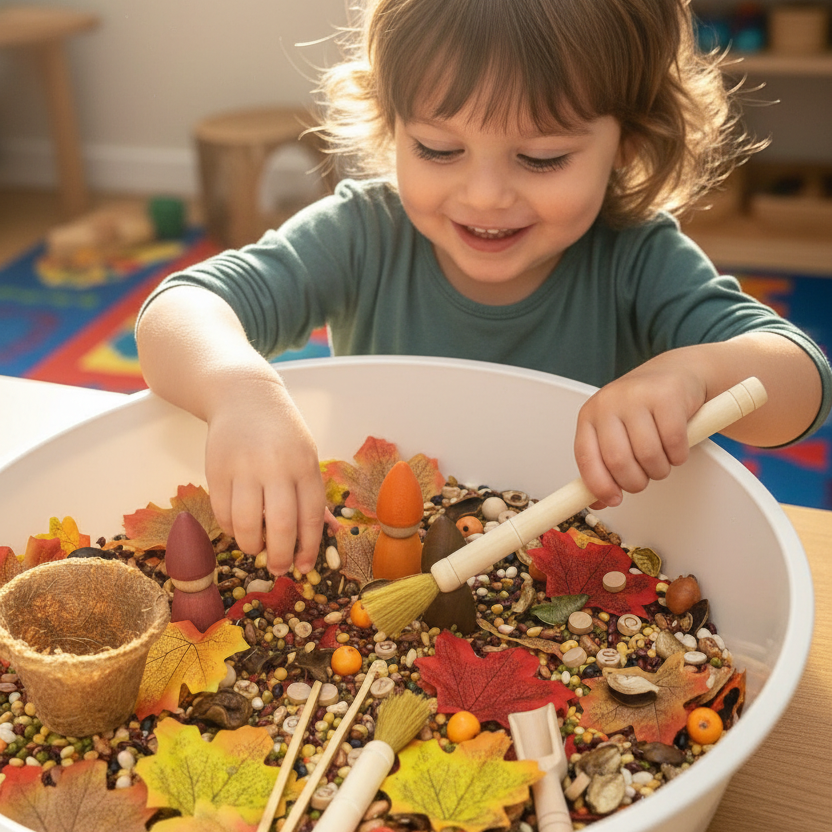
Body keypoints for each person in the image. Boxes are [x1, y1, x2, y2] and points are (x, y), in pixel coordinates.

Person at [137, 0, 831, 577]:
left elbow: (805, 382)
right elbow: (179, 309)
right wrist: (239, 390)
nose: (486, 195)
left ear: (627, 142)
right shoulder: (361, 235)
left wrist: (695, 371)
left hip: (575, 568)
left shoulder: (637, 259)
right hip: (375, 555)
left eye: (541, 157)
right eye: (439, 149)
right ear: (392, 123)